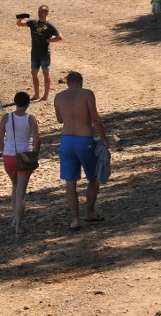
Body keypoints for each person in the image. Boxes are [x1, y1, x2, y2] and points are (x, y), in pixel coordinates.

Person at [54, 71, 109, 231]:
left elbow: (59, 120)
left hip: (66, 142)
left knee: (70, 183)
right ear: (80, 81)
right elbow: (95, 118)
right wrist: (104, 138)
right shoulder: (87, 94)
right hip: (84, 141)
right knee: (93, 178)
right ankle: (90, 212)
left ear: (67, 82)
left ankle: (75, 220)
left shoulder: (58, 97)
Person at [0, 91, 41, 235]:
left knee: (15, 186)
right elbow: (37, 140)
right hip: (24, 158)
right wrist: (35, 154)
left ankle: (14, 220)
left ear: (15, 103)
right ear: (28, 104)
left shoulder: (6, 117)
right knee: (21, 192)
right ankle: (18, 226)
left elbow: (0, 138)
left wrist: (3, 152)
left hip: (9, 157)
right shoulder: (31, 119)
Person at [16, 5, 62, 101]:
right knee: (34, 73)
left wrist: (50, 40)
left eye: (41, 12)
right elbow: (20, 24)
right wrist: (20, 19)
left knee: (46, 73)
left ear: (46, 13)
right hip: (35, 52)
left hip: (45, 52)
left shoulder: (49, 25)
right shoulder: (33, 22)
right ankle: (36, 94)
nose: (39, 13)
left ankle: (45, 96)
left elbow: (60, 37)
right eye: (39, 11)